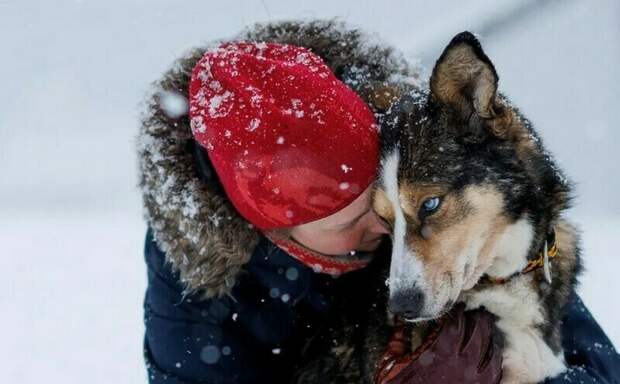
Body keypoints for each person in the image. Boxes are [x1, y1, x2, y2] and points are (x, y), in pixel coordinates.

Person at [137, 20, 620, 383]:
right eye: (354, 216)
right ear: (278, 231)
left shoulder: (410, 158)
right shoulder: (195, 283)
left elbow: (600, 366)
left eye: (381, 202)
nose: (388, 230)